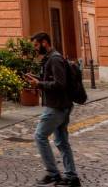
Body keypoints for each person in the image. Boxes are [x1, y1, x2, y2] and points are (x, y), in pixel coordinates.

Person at [26, 32, 80, 186]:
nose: (35, 49)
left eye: (36, 45)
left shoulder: (54, 59)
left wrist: (39, 84)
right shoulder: (51, 58)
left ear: (44, 43)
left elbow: (59, 84)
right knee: (62, 142)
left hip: (56, 106)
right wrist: (37, 78)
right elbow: (53, 80)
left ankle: (53, 173)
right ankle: (71, 177)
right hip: (62, 105)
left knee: (40, 136)